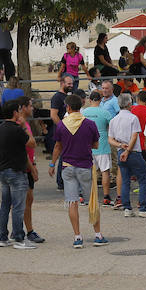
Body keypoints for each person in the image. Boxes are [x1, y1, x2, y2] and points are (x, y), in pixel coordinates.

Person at [49, 93, 107, 247]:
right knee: (92, 201)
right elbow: (95, 144)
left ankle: (77, 237)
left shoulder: (61, 124)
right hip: (85, 166)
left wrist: (52, 164)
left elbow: (57, 146)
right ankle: (98, 234)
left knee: (72, 201)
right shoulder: (89, 124)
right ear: (80, 106)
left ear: (68, 107)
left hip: (68, 166)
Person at [0, 102, 39, 250]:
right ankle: (19, 238)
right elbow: (32, 143)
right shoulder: (17, 129)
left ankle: (3, 236)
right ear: (15, 113)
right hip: (16, 170)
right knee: (19, 206)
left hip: (3, 169)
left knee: (5, 205)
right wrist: (24, 124)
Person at [108, 93, 146, 217]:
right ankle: (143, 208)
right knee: (143, 179)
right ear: (129, 104)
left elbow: (110, 139)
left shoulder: (114, 120)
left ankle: (127, 208)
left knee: (125, 180)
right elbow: (134, 136)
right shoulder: (133, 118)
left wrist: (121, 146)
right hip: (133, 152)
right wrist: (128, 150)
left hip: (121, 150)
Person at [81, 91, 115, 207]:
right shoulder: (105, 113)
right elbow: (112, 125)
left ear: (90, 100)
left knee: (88, 171)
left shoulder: (84, 113)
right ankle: (106, 197)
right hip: (102, 145)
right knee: (105, 171)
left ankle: (86, 196)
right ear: (100, 100)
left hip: (86, 146)